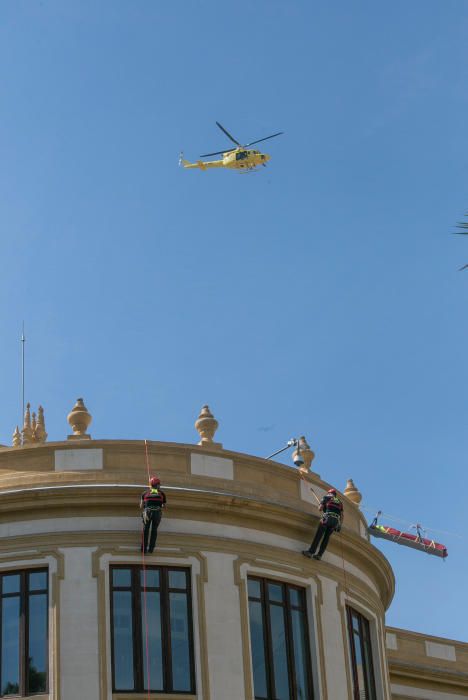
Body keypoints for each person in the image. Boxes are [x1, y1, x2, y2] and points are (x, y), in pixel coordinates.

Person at [302, 488, 343, 561]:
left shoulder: (326, 498)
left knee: (319, 535)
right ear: (335, 495)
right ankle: (319, 555)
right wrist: (340, 525)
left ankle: (311, 552)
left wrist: (320, 505)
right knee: (326, 538)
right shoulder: (339, 502)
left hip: (327, 518)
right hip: (335, 521)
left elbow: (320, 509)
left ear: (329, 493)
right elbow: (342, 515)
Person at [140, 476, 166, 554]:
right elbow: (163, 506)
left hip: (147, 512)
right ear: (157, 485)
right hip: (157, 513)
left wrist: (146, 504)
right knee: (154, 530)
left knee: (145, 530)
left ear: (151, 485)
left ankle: (143, 548)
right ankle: (151, 549)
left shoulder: (144, 493)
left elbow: (141, 506)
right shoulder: (161, 493)